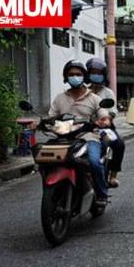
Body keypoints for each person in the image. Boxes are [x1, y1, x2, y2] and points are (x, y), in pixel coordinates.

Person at [49, 60, 111, 204]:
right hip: (63, 137)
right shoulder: (60, 98)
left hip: (88, 137)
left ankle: (102, 194)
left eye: (78, 74)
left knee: (95, 163)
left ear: (84, 76)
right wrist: (39, 123)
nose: (74, 77)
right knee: (46, 160)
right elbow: (51, 116)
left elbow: (103, 114)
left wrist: (104, 120)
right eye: (71, 74)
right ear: (66, 77)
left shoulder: (94, 98)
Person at [86, 57, 125, 188]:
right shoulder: (83, 91)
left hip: (105, 129)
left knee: (119, 145)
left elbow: (113, 111)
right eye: (93, 72)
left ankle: (113, 175)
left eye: (99, 72)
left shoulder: (108, 92)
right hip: (85, 128)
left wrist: (105, 119)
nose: (95, 75)